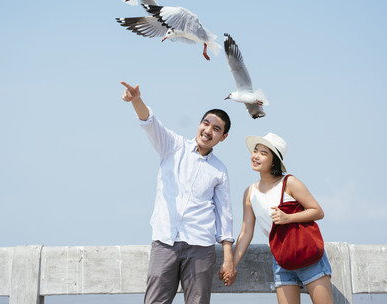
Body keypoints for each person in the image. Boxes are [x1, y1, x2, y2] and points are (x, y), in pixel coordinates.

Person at [120, 81, 235, 304]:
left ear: (223, 137)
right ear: (200, 124)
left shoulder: (220, 170)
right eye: (206, 123)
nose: (208, 130)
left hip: (201, 245)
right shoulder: (173, 146)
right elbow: (150, 123)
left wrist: (228, 257)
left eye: (216, 129)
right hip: (165, 240)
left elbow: (225, 214)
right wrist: (136, 100)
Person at [220, 132, 334, 304]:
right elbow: (246, 232)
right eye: (255, 151)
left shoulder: (289, 182)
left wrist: (288, 218)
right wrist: (232, 265)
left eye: (263, 153)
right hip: (281, 261)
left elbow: (318, 211)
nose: (256, 156)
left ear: (274, 160)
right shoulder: (250, 192)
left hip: (308, 257)